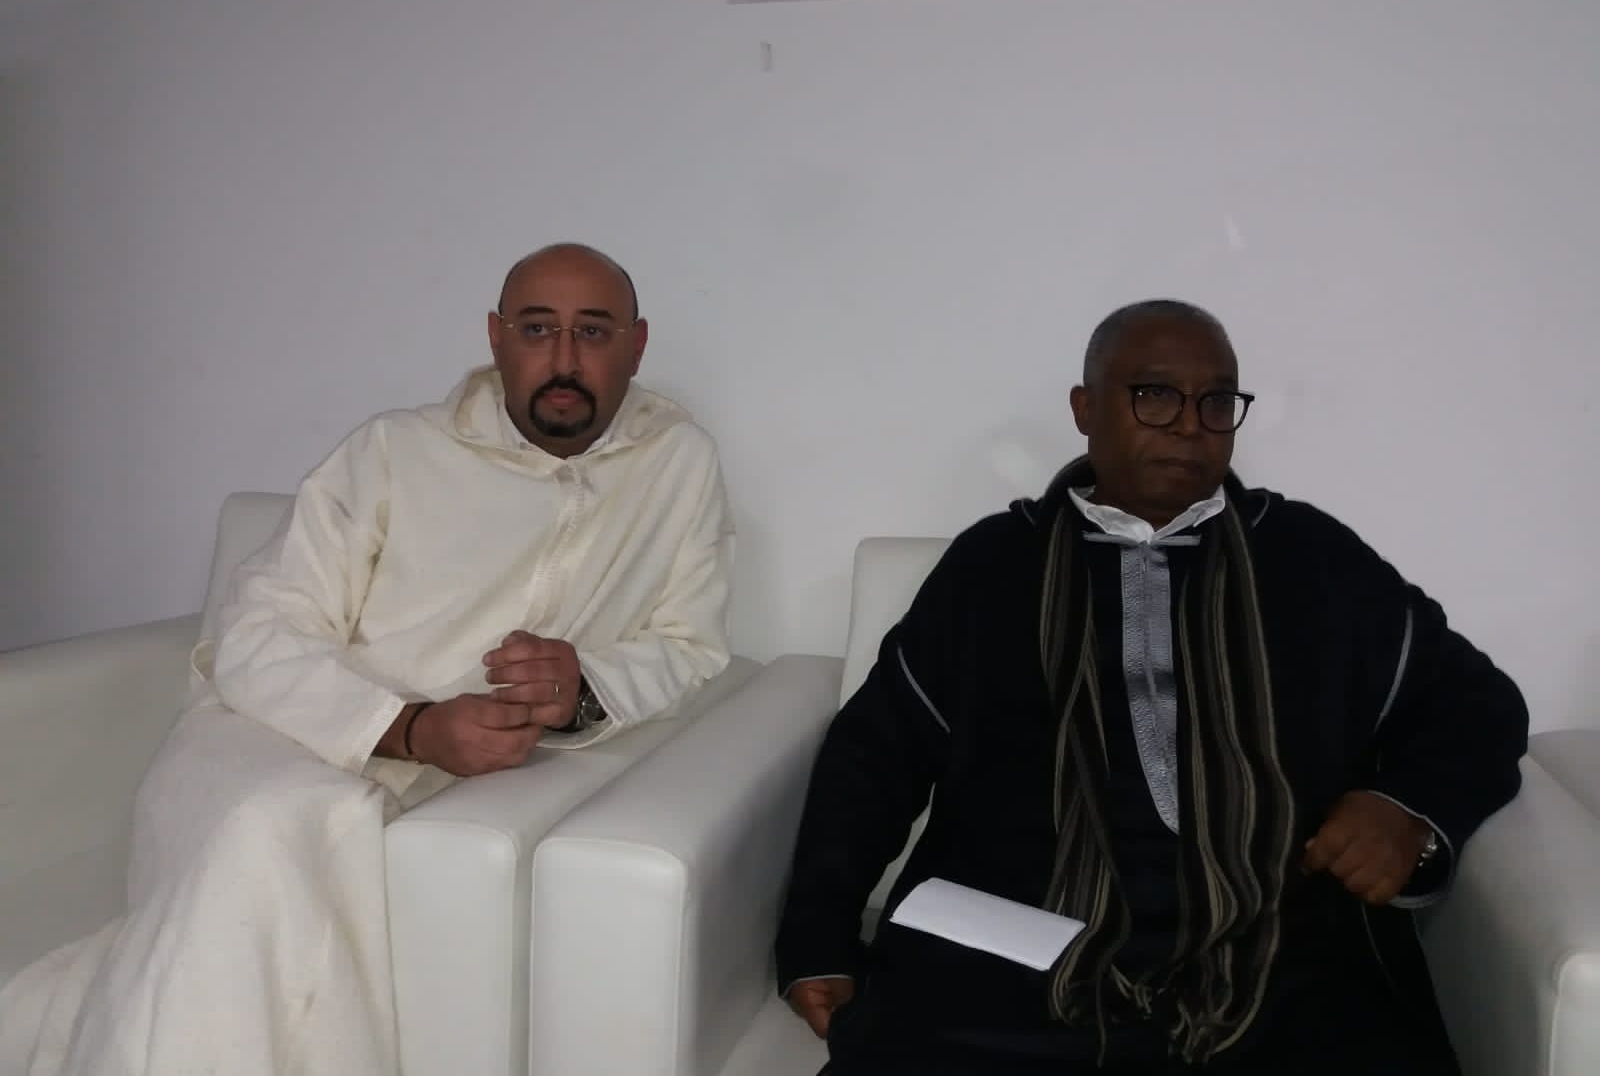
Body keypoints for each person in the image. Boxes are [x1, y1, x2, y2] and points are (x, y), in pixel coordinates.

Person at [0, 242, 735, 1076]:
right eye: (538, 329)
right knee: (277, 825)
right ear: (496, 338)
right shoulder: (391, 452)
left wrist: (585, 690)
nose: (564, 359)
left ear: (636, 345)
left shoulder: (678, 465)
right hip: (271, 736)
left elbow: (691, 644)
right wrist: (409, 727)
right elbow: (257, 629)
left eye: (593, 332)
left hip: (432, 781)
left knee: (284, 866)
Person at [776, 300, 1527, 1075]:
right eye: (1155, 395)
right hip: (1019, 947)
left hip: (1275, 940)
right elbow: (874, 757)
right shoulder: (995, 566)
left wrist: (1407, 809)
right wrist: (817, 937)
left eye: (1216, 402)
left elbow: (1477, 703)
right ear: (1085, 408)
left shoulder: (1309, 558)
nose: (1190, 425)